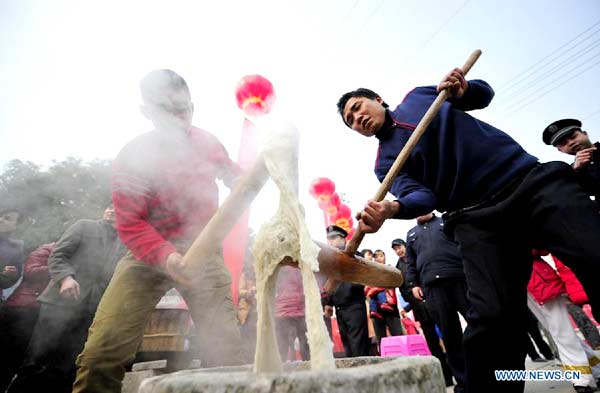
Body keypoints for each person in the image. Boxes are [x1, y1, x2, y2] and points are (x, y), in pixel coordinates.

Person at [337, 68, 600, 393]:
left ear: (378, 100)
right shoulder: (385, 164)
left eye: (358, 107)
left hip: (526, 181)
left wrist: (464, 89)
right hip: (475, 218)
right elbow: (423, 197)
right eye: (350, 119)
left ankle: (583, 368)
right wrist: (394, 208)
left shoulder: (420, 96)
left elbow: (483, 94)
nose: (357, 117)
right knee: (493, 319)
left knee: (595, 251)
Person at [72, 69, 243, 393]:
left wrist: (245, 178)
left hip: (203, 250)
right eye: (169, 111)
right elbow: (130, 223)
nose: (181, 118)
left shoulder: (207, 141)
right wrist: (166, 255)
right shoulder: (133, 156)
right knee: (101, 354)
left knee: (227, 353)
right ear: (147, 112)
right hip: (145, 254)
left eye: (185, 109)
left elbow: (230, 172)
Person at [8, 207, 125, 393]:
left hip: (92, 309)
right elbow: (57, 255)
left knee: (69, 366)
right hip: (59, 303)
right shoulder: (84, 226)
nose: (112, 210)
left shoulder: (126, 241)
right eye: (109, 206)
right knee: (38, 361)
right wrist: (66, 277)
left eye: (118, 208)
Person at [406, 212, 468, 393]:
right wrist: (413, 284)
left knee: (479, 325)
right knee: (449, 335)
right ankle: (464, 383)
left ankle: (492, 374)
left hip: (459, 279)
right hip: (432, 288)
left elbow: (462, 243)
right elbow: (411, 263)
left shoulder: (446, 222)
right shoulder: (411, 234)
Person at [527, 250, 600, 393]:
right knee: (560, 332)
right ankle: (594, 370)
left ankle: (582, 379)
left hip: (539, 280)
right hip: (528, 284)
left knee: (561, 332)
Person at [392, 237, 455, 388]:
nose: (398, 250)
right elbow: (404, 289)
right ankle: (445, 377)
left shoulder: (415, 258)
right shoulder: (397, 266)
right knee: (432, 344)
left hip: (434, 302)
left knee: (449, 337)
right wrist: (407, 307)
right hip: (419, 309)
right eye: (395, 249)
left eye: (400, 246)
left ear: (405, 246)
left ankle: (459, 372)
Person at [0, 242, 52, 391]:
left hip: (46, 313)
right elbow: (30, 271)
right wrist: (62, 269)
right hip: (24, 307)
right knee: (8, 356)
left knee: (23, 359)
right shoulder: (48, 249)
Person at [322, 225, 370, 357]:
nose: (329, 241)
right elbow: (328, 282)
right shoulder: (330, 259)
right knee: (347, 344)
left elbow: (364, 277)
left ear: (344, 239)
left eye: (333, 238)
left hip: (354, 304)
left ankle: (363, 373)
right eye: (328, 239)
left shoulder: (356, 256)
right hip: (339, 307)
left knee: (358, 344)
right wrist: (328, 303)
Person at [543, 118, 600, 202]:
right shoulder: (569, 174)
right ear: (560, 150)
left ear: (585, 134)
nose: (571, 143)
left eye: (573, 137)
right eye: (563, 143)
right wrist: (577, 171)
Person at [365, 249, 403, 345]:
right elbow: (366, 290)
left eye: (381, 256)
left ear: (385, 257)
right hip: (375, 310)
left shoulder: (390, 269)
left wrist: (374, 289)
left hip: (391, 307)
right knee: (381, 340)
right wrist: (381, 287)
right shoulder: (370, 272)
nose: (379, 259)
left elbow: (393, 283)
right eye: (376, 257)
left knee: (397, 336)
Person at [275, 265, 310, 361]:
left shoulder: (279, 266)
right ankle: (308, 370)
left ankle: (281, 372)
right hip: (292, 311)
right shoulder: (299, 265)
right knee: (303, 346)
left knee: (284, 346)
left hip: (287, 311)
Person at [0, 207, 24, 301]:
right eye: (0, 216)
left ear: (15, 226)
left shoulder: (16, 248)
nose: (0, 220)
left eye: (7, 218)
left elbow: (9, 282)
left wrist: (10, 274)